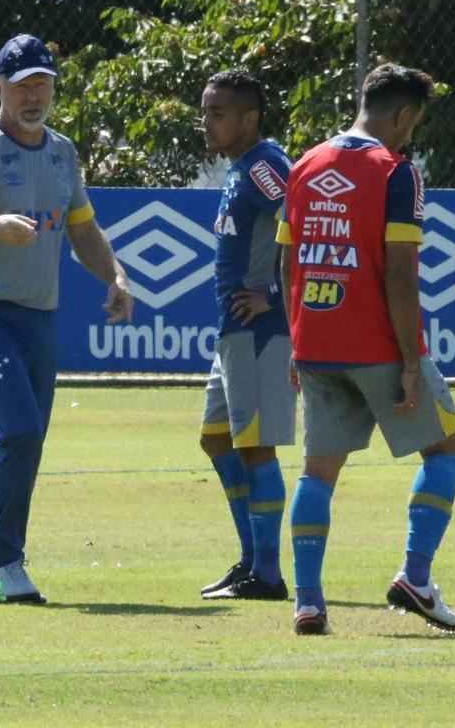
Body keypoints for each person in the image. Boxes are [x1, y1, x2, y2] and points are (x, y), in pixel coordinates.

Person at [0, 33, 134, 605]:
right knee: (20, 430)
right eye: (23, 85)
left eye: (43, 84)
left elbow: (81, 228)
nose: (34, 96)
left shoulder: (62, 152)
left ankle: (1, 565)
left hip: (39, 317)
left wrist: (115, 278)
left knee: (29, 440)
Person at [277, 63, 455, 635]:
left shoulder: (306, 164)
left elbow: (287, 263)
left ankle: (308, 603)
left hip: (316, 341)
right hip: (378, 343)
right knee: (447, 450)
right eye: (413, 124)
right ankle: (415, 574)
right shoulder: (396, 173)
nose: (410, 135)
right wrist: (411, 360)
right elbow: (401, 276)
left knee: (317, 472)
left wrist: (295, 339)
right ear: (403, 114)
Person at [196, 71, 296, 602]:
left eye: (217, 113)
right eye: (206, 111)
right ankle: (251, 560)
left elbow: (304, 221)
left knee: (257, 449)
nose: (206, 122)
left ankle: (269, 574)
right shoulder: (243, 169)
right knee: (216, 438)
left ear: (249, 119)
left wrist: (274, 298)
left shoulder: (266, 167)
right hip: (233, 332)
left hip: (260, 333)